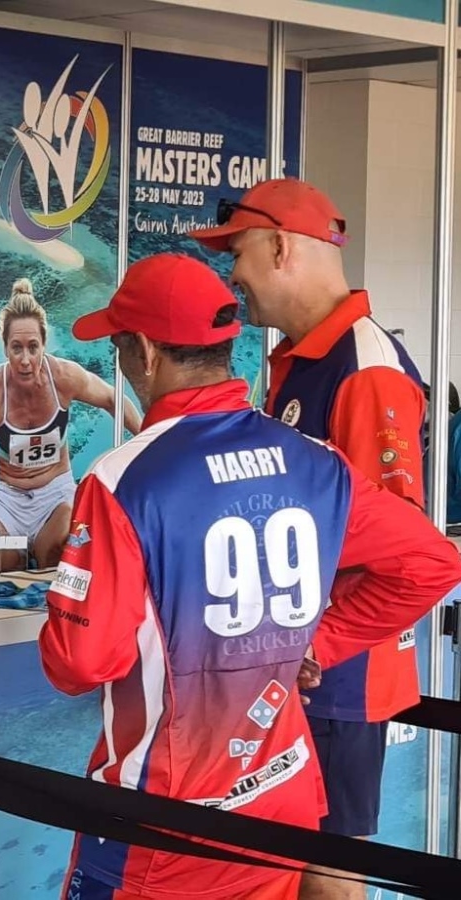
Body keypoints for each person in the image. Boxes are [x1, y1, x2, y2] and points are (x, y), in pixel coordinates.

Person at [39, 253, 461, 900]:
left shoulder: (125, 480)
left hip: (167, 822)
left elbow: (81, 663)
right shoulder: (315, 463)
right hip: (279, 802)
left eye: (121, 346)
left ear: (147, 353)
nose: (122, 363)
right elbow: (432, 563)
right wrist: (323, 639)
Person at [190, 178, 428, 900]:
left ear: (282, 247)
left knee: (328, 876)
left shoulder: (366, 368)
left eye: (238, 252)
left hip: (337, 676)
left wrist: (323, 644)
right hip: (290, 666)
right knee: (282, 868)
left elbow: (402, 550)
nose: (232, 273)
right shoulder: (300, 360)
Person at [0, 277, 142, 569]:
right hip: (9, 500)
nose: (24, 359)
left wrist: (147, 440)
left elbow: (114, 399)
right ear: (5, 348)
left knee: (57, 555)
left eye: (33, 347)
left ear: (44, 345)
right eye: (16, 348)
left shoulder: (64, 377)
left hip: (56, 495)